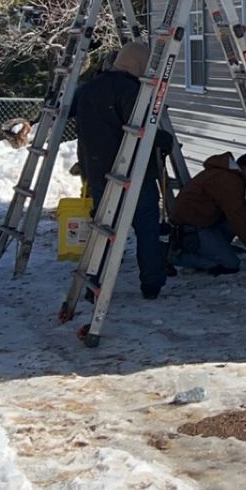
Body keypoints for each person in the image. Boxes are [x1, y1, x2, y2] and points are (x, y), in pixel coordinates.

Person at [71, 40, 171, 299]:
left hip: (98, 171)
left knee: (104, 229)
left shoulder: (89, 89)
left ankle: (94, 282)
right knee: (147, 228)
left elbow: (70, 113)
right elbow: (140, 131)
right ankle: (151, 282)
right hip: (133, 172)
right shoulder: (132, 91)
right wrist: (164, 140)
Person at [170, 151, 246, 274]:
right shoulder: (228, 180)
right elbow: (239, 219)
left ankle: (210, 251)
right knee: (230, 264)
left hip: (202, 223)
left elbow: (242, 214)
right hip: (192, 228)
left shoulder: (228, 176)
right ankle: (174, 256)